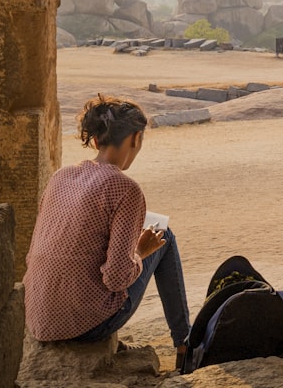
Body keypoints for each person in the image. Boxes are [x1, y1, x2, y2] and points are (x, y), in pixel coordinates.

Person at [23, 94, 190, 365]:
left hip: (39, 317)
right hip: (86, 325)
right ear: (136, 138)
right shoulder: (125, 189)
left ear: (97, 140)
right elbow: (116, 278)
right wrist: (139, 250)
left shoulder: (61, 176)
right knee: (165, 236)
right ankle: (185, 345)